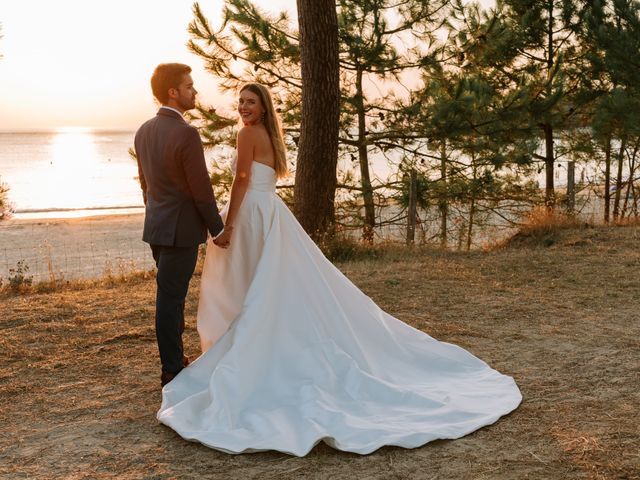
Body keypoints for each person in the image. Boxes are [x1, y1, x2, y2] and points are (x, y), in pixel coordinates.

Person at [157, 83, 522, 456]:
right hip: (270, 212)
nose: (243, 107)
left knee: (249, 282)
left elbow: (243, 179)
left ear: (263, 108)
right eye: (241, 102)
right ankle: (260, 334)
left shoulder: (247, 133)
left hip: (252, 214)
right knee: (265, 283)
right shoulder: (268, 133)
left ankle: (255, 342)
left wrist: (228, 223)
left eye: (251, 102)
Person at [134, 63, 231, 388]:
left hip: (157, 228)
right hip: (180, 231)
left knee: (170, 296)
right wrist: (217, 229)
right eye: (190, 86)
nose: (195, 91)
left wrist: (156, 213)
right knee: (170, 299)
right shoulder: (186, 133)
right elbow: (200, 189)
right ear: (173, 92)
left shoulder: (143, 130)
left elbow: (145, 185)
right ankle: (171, 370)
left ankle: (176, 360)